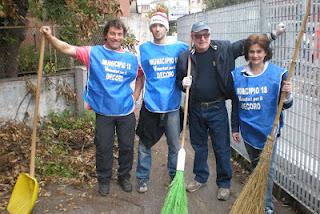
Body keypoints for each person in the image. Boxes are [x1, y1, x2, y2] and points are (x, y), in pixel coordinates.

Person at [175, 21, 285, 201]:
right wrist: (182, 83)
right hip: (195, 108)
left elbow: (248, 44)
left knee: (221, 147)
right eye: (198, 36)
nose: (202, 39)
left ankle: (224, 183)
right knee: (199, 146)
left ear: (209, 35)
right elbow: (179, 81)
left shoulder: (224, 49)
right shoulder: (185, 57)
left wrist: (273, 34)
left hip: (217, 107)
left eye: (206, 35)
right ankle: (201, 177)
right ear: (192, 37)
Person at [40, 19, 142, 196]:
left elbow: (141, 76)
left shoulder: (131, 59)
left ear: (123, 37)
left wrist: (135, 97)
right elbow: (66, 48)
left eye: (119, 34)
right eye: (112, 33)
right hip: (103, 111)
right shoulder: (93, 53)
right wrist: (49, 37)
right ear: (106, 35)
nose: (116, 37)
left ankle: (123, 177)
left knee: (126, 147)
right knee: (103, 147)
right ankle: (103, 179)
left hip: (126, 111)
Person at [231, 34, 293, 214]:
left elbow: (286, 105)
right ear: (247, 53)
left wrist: (288, 94)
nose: (255, 55)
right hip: (248, 131)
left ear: (266, 53)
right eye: (251, 52)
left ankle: (266, 207)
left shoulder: (277, 74)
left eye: (259, 51)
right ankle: (256, 198)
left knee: (266, 170)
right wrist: (235, 128)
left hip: (269, 132)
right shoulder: (237, 75)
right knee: (255, 167)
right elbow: (236, 104)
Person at [134, 10, 189, 193]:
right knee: (144, 145)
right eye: (154, 26)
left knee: (174, 146)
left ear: (166, 27)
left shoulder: (180, 48)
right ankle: (142, 178)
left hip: (172, 106)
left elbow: (197, 55)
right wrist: (135, 96)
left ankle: (174, 177)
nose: (157, 29)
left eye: (160, 26)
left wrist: (188, 81)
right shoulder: (144, 49)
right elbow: (141, 74)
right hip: (151, 105)